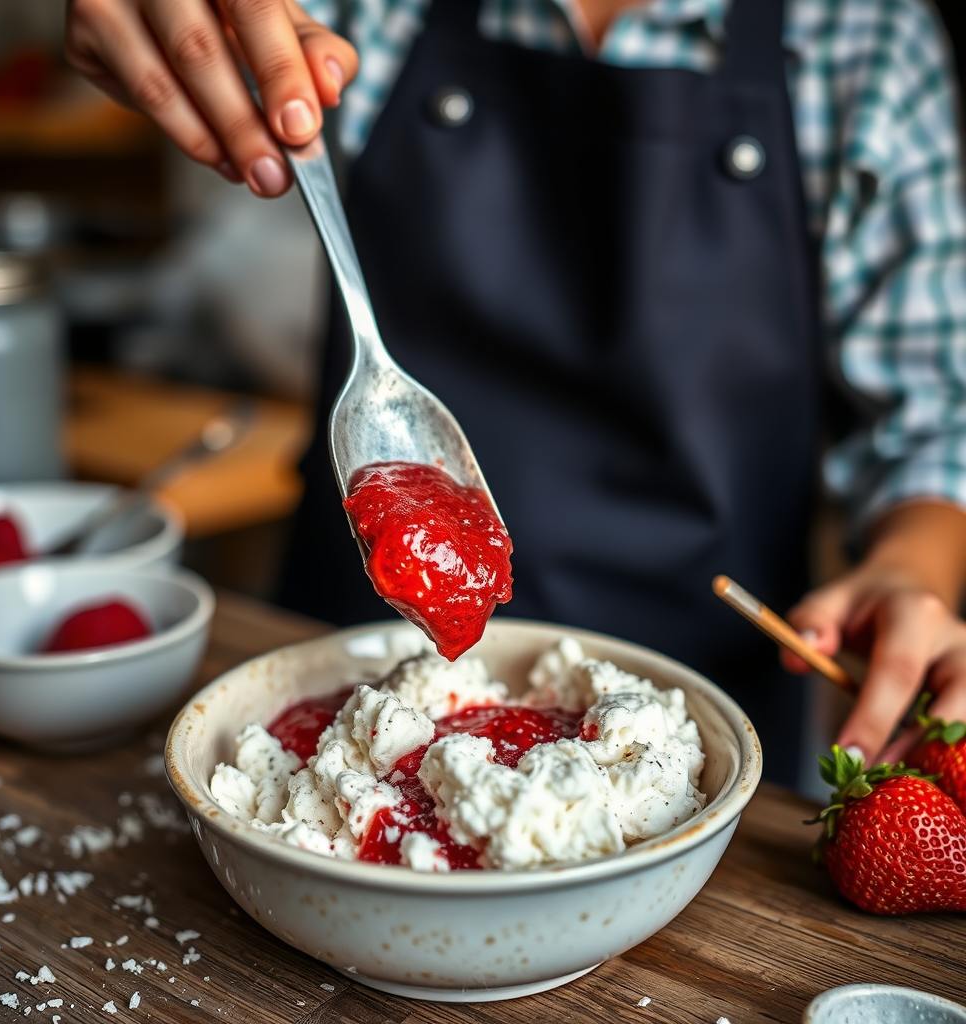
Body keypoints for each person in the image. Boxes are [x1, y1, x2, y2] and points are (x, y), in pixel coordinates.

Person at [65, 0, 966, 787]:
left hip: (692, 729)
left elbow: (937, 423)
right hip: (347, 691)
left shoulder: (867, 37)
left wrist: (911, 568)